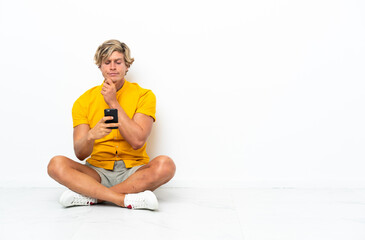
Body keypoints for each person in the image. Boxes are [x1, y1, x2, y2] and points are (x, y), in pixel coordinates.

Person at [47, 39, 176, 210]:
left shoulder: (144, 95)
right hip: (97, 171)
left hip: (134, 171)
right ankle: (123, 199)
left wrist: (113, 102)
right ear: (100, 67)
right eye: (107, 62)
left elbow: (138, 142)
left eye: (118, 62)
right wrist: (91, 136)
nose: (113, 67)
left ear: (127, 66)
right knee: (55, 164)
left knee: (166, 165)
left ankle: (94, 196)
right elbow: (80, 153)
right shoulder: (83, 101)